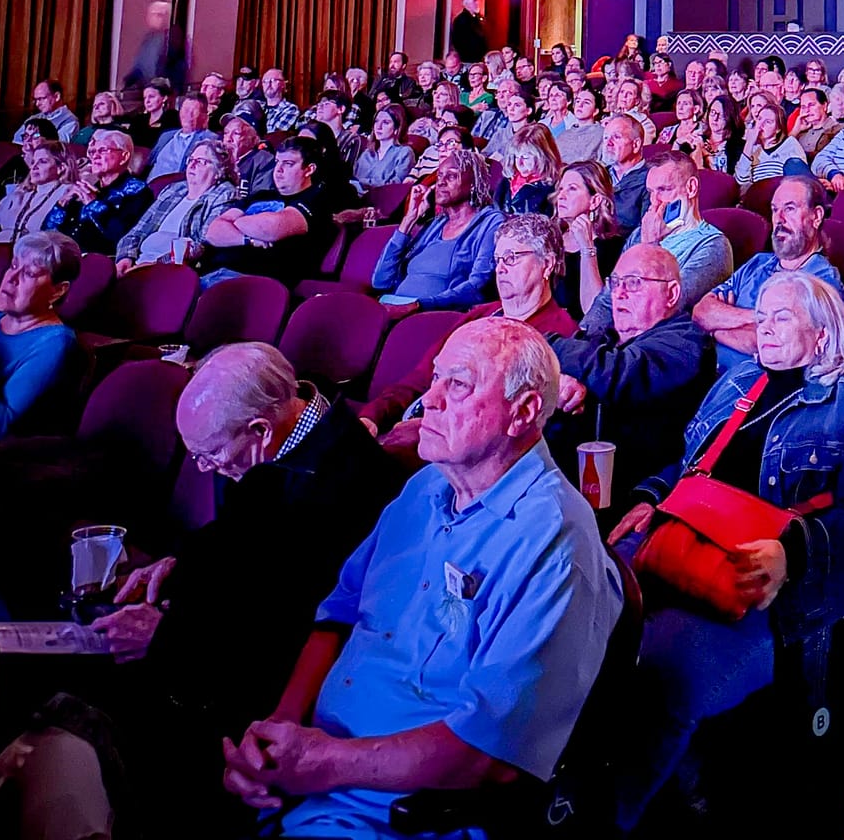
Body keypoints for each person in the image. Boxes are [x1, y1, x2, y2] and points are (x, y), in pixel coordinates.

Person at [222, 319, 624, 836]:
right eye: (435, 380)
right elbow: (339, 616)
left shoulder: (555, 542)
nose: (427, 401)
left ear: (523, 413)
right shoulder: (424, 487)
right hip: (308, 774)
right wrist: (280, 730)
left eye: (457, 385)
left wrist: (323, 764)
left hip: (391, 813)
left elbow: (491, 755)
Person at [72, 344, 406, 829]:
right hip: (209, 649)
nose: (204, 468)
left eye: (209, 454)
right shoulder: (287, 443)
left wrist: (165, 634)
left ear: (259, 430)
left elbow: (289, 624)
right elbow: (240, 537)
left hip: (245, 700)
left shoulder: (347, 485)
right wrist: (181, 562)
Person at [609, 272, 844, 829]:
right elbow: (690, 464)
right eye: (760, 317)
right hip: (679, 541)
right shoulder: (738, 382)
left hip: (759, 580)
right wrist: (651, 496)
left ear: (821, 335)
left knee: (659, 675)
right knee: (581, 617)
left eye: (781, 317)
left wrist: (794, 550)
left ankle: (612, 815)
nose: (763, 329)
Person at [362, 215, 576, 448]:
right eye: (497, 259)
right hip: (413, 424)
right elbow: (422, 376)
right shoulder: (480, 315)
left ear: (547, 264)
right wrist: (373, 416)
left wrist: (428, 429)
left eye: (511, 258)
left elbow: (505, 424)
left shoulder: (562, 336)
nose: (500, 269)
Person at [549, 243, 714, 505]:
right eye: (615, 283)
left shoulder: (685, 341)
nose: (620, 294)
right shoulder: (603, 338)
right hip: (566, 487)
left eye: (634, 283)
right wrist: (558, 384)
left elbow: (616, 373)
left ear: (671, 294)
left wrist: (538, 346)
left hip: (637, 499)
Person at [694, 173, 843, 365]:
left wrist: (716, 328)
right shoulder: (758, 263)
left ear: (816, 216)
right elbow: (701, 312)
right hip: (705, 368)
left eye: (790, 209)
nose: (779, 219)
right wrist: (757, 319)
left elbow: (766, 342)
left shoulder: (821, 281)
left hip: (749, 383)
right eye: (774, 210)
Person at [580, 152, 733, 336]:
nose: (655, 201)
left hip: (658, 343)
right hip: (616, 338)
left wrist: (650, 246)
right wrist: (584, 338)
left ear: (691, 188)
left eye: (664, 190)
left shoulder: (713, 246)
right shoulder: (641, 233)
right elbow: (609, 297)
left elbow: (662, 307)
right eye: (651, 192)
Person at [0, 231, 81, 442]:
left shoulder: (54, 343)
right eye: (13, 266)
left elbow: (1, 426)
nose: (11, 279)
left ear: (57, 291)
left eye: (30, 273)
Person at [370, 150, 500, 312]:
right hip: (396, 307)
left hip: (438, 315)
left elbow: (478, 285)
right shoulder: (435, 225)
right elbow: (381, 281)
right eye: (439, 176)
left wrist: (420, 305)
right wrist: (409, 220)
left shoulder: (490, 222)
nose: (441, 182)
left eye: (451, 176)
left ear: (473, 184)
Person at [200, 136, 334, 286]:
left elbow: (271, 228)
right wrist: (247, 240)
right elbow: (213, 231)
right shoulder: (260, 195)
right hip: (211, 272)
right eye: (277, 162)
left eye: (288, 164)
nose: (279, 170)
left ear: (309, 169)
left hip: (255, 282)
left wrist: (234, 222)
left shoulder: (315, 200)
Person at [115, 139, 238, 271]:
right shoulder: (173, 190)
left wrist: (154, 265)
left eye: (201, 161)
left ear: (219, 171)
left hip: (172, 271)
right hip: (137, 264)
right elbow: (138, 230)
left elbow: (202, 245)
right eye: (191, 160)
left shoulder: (224, 194)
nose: (192, 165)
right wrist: (125, 257)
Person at [46, 128, 152, 255]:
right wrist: (62, 204)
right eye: (92, 152)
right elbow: (47, 231)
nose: (95, 156)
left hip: (100, 261)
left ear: (124, 157)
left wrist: (93, 204)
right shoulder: (87, 188)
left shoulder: (138, 191)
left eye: (102, 150)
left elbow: (122, 234)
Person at [553, 161, 624, 317]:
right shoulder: (552, 239)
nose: (561, 196)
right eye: (561, 189)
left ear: (595, 201)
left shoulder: (613, 246)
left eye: (572, 189)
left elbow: (594, 311)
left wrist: (587, 249)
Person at [0, 139, 80, 244]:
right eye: (33, 162)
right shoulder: (19, 193)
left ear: (61, 168)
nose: (34, 167)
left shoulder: (68, 193)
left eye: (43, 161)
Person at [145, 90, 219, 181]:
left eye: (193, 111)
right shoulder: (166, 136)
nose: (188, 115)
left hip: (174, 189)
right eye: (185, 109)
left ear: (204, 116)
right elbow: (148, 164)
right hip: (149, 186)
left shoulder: (209, 139)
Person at [735, 101, 808, 188]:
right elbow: (741, 181)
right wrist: (749, 143)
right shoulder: (751, 149)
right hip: (757, 195)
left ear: (778, 129)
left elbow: (802, 180)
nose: (761, 125)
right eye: (759, 119)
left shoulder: (790, 144)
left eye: (768, 122)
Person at [121, 0, 187, 95]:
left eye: (161, 15)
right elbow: (139, 67)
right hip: (145, 91)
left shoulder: (175, 38)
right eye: (154, 14)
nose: (157, 18)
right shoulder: (148, 40)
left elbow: (177, 68)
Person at [602, 113, 651, 233]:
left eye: (617, 137)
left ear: (636, 144)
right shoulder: (599, 175)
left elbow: (646, 232)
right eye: (606, 138)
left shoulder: (651, 180)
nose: (608, 144)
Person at [354, 103, 415, 189]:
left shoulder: (404, 153)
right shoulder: (367, 153)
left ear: (397, 129)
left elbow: (396, 185)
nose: (378, 127)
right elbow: (354, 179)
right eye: (376, 121)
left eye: (385, 122)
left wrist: (362, 183)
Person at [15, 77, 81, 144]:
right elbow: (16, 140)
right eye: (35, 100)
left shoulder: (69, 121)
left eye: (41, 99)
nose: (37, 104)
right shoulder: (33, 118)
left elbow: (58, 145)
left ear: (57, 96)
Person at [448, 0, 490, 64]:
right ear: (466, 4)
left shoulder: (478, 18)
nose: (478, 3)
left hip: (480, 59)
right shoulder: (461, 20)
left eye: (478, 1)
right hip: (468, 59)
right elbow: (460, 41)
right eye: (474, 1)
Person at [259, 69, 300, 135]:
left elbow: (274, 136)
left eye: (274, 80)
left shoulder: (290, 109)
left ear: (283, 84)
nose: (269, 84)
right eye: (265, 81)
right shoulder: (257, 106)